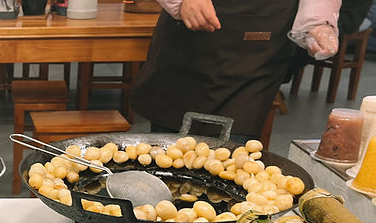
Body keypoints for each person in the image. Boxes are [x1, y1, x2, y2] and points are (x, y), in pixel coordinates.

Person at [131, 0, 341, 139]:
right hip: (189, 45)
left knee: (234, 157)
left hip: (258, 53)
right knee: (169, 155)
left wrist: (318, 23)